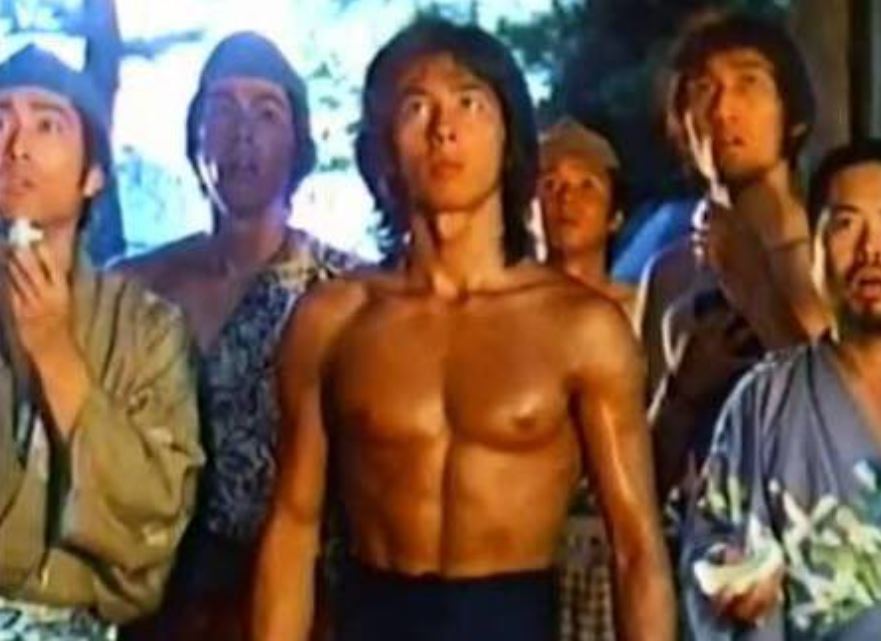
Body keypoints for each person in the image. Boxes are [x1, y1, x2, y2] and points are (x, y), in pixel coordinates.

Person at [253, 18, 675, 641]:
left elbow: (637, 547)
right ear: (384, 150)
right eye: (416, 107)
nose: (443, 129)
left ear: (508, 140)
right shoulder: (333, 319)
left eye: (469, 103)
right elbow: (292, 527)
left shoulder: (581, 328)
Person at [116, 32, 360, 641]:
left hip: (301, 599)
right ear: (195, 136)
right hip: (156, 598)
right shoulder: (133, 288)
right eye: (222, 110)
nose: (242, 133)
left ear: (298, 144)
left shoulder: (346, 292)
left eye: (266, 113)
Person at [0, 46, 202, 639]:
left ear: (93, 175)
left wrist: (55, 353)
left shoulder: (148, 329)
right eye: (1, 119)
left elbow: (156, 518)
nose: (17, 145)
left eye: (47, 125)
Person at [682, 139, 881, 640]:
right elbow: (709, 544)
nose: (870, 250)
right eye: (846, 224)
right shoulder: (764, 401)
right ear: (812, 251)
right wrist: (729, 577)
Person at [639, 12, 829, 503]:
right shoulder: (669, 274)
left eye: (748, 83)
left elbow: (849, 437)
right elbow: (641, 484)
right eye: (702, 89)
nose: (724, 110)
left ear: (792, 113)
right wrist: (682, 391)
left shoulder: (838, 252)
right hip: (710, 537)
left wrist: (759, 294)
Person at [538, 117, 634, 319]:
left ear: (615, 217)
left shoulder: (640, 312)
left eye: (586, 186)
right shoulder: (504, 313)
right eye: (550, 185)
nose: (566, 197)